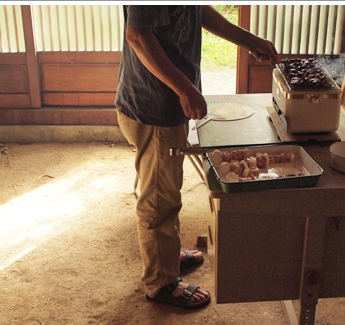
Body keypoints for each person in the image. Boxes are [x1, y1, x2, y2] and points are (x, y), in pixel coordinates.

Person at [116, 5, 279, 309]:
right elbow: (137, 35)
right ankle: (160, 282)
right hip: (155, 107)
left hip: (165, 102)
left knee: (166, 188)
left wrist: (250, 41)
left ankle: (166, 255)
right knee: (158, 201)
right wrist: (185, 88)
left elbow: (195, 10)